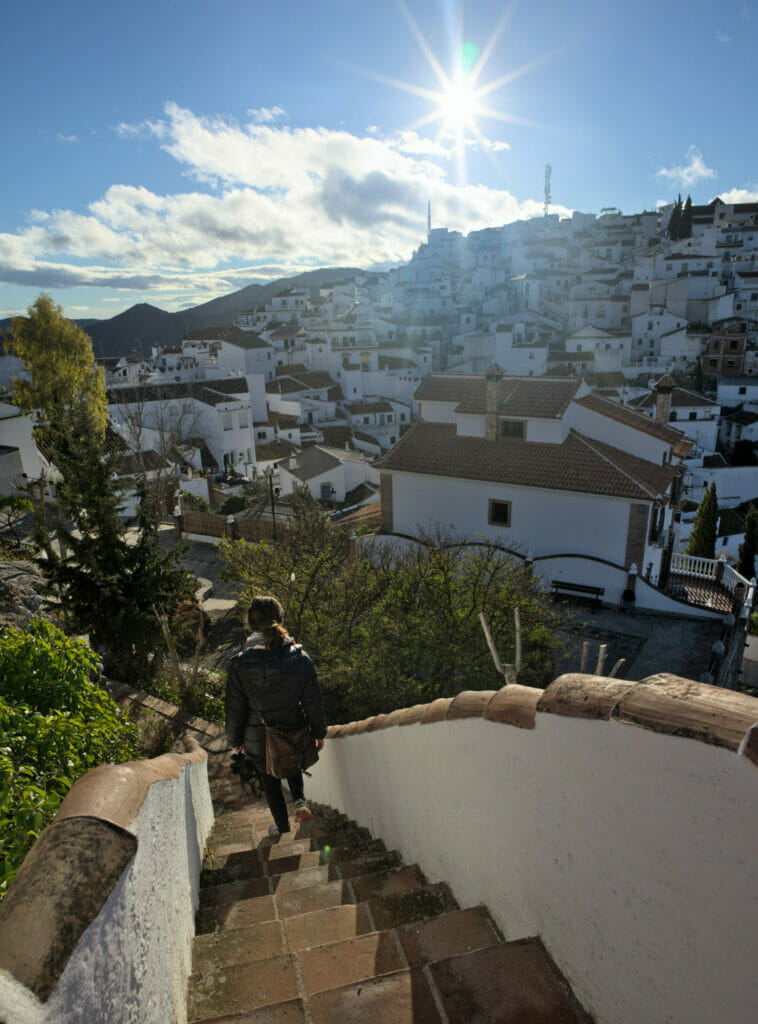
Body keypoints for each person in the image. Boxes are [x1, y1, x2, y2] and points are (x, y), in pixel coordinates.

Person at [225, 595, 326, 838]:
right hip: (293, 726)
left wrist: (234, 741)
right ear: (280, 619)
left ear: (251, 625)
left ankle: (281, 827)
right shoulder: (300, 658)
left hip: (257, 735)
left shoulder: (240, 664)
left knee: (269, 779)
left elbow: (234, 708)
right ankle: (300, 802)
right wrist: (319, 732)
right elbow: (313, 701)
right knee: (291, 762)